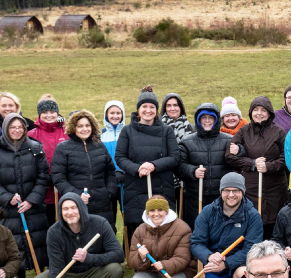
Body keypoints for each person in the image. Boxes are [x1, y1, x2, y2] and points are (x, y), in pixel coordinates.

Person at [23, 193, 125, 278]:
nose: (70, 212)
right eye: (65, 209)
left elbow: (119, 255)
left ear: (81, 208)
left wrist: (89, 258)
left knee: (115, 269)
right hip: (67, 275)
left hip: (93, 272)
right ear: (60, 212)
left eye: (74, 207)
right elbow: (56, 269)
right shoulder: (54, 232)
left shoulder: (100, 224)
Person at [0, 113, 51, 276]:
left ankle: (39, 274)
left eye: (20, 127)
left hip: (33, 207)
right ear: (6, 129)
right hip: (9, 209)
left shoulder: (35, 149)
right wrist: (7, 198)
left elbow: (43, 176)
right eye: (12, 127)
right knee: (13, 243)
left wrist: (32, 200)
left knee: (37, 240)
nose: (17, 130)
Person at [115, 86, 181, 245]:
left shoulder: (166, 131)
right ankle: (139, 262)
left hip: (162, 186)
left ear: (157, 110)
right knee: (139, 228)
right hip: (136, 186)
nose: (148, 110)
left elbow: (174, 157)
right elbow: (120, 157)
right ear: (138, 109)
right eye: (144, 106)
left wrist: (153, 165)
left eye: (152, 107)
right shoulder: (127, 131)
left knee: (163, 226)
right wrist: (137, 168)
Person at [192, 173, 263, 278]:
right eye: (227, 191)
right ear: (221, 192)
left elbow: (251, 249)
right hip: (215, 265)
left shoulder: (253, 215)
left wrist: (226, 263)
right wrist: (209, 256)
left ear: (242, 192)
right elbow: (196, 243)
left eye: (235, 190)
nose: (231, 195)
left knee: (242, 274)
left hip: (240, 264)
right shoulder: (207, 212)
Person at [226, 95, 289, 240]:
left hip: (275, 188)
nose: (259, 113)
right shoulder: (243, 131)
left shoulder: (279, 132)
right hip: (251, 188)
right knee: (252, 224)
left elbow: (286, 158)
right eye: (256, 110)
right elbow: (230, 156)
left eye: (263, 110)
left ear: (269, 113)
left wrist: (269, 167)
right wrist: (252, 164)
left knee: (275, 227)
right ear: (250, 112)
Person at [51, 110, 118, 228]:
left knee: (104, 238)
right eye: (80, 126)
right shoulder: (63, 148)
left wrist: (109, 192)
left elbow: (110, 171)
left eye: (87, 125)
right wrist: (76, 195)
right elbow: (58, 177)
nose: (84, 129)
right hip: (77, 205)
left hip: (103, 204)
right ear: (73, 128)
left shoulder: (99, 145)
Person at [126, 195, 192, 278]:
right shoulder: (140, 230)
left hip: (177, 272)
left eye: (160, 210)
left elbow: (183, 258)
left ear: (166, 211)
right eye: (152, 210)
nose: (156, 214)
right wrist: (141, 257)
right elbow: (131, 261)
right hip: (152, 272)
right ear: (147, 212)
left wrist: (165, 265)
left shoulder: (182, 228)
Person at [178, 103, 233, 229]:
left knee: (220, 230)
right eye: (203, 118)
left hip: (221, 197)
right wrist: (193, 171)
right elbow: (179, 166)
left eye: (210, 118)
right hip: (195, 198)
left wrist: (239, 151)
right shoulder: (187, 142)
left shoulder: (229, 140)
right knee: (197, 231)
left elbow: (237, 161)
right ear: (198, 120)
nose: (207, 121)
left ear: (216, 120)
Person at [27, 97, 69, 224]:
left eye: (52, 111)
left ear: (57, 113)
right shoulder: (31, 135)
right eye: (45, 112)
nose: (49, 115)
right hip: (42, 190)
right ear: (40, 114)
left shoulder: (67, 132)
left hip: (63, 189)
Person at [100, 100, 126, 171]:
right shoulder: (100, 135)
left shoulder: (127, 133)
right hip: (107, 176)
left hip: (125, 176)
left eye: (118, 113)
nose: (115, 116)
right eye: (112, 113)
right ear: (106, 114)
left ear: (122, 114)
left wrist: (121, 171)